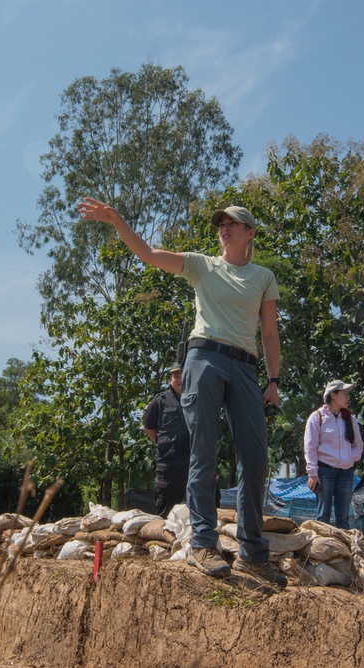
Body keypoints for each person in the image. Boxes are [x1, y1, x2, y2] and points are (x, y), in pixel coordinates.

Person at [79, 198, 285, 588]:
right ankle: (203, 544)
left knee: (255, 459)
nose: (224, 227)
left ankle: (253, 553)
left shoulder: (263, 277)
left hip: (244, 366)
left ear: (250, 232)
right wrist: (117, 220)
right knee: (204, 450)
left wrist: (273, 382)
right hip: (204, 357)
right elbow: (149, 254)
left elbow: (270, 333)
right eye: (221, 223)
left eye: (234, 223)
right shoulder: (202, 265)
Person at [304, 380, 363, 530]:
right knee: (323, 516)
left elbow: (358, 445)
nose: (348, 397)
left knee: (343, 518)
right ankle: (321, 551)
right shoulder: (317, 417)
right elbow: (310, 447)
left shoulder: (350, 419)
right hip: (324, 471)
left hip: (346, 473)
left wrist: (350, 458)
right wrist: (312, 473)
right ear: (333, 395)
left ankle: (343, 551)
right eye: (344, 394)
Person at [144, 362, 191, 518]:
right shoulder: (160, 401)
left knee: (207, 509)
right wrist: (163, 444)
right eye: (176, 375)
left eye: (184, 374)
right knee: (166, 514)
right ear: (170, 378)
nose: (180, 379)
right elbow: (149, 428)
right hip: (169, 468)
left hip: (196, 465)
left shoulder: (198, 399)